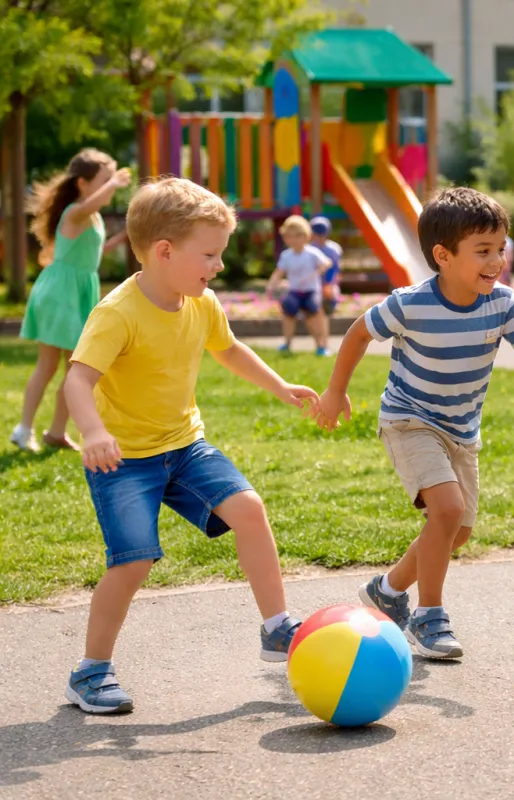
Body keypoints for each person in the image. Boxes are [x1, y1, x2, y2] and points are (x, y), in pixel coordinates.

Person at [61, 178, 319, 714]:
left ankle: (276, 628)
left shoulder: (198, 304)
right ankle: (91, 672)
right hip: (124, 459)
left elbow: (230, 349)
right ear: (164, 251)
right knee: (133, 562)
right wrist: (93, 432)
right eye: (210, 254)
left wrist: (280, 385)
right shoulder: (118, 313)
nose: (218, 266)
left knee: (248, 508)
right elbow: (77, 380)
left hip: (184, 446)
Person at [316, 187, 514, 660]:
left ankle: (388, 591)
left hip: (461, 430)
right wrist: (335, 391)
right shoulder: (410, 304)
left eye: (501, 248)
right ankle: (428, 615)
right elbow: (357, 333)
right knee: (447, 511)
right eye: (483, 251)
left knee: (457, 531)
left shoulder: (502, 303)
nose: (496, 260)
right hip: (409, 420)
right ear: (443, 255)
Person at [12, 149, 129, 453]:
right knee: (49, 364)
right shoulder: (76, 211)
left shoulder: (94, 217)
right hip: (60, 294)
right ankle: (24, 429)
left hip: (77, 292)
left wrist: (125, 236)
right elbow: (88, 206)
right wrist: (115, 183)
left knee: (75, 369)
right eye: (104, 180)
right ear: (83, 184)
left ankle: (56, 432)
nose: (110, 186)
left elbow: (92, 252)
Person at [267, 215, 332, 356]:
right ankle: (287, 343)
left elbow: (327, 262)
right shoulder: (286, 255)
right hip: (295, 291)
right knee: (288, 311)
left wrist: (322, 267)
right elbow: (279, 272)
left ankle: (320, 346)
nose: (294, 240)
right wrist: (271, 285)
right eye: (289, 236)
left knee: (313, 312)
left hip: (311, 291)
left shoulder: (312, 253)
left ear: (306, 236)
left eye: (297, 236)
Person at [309, 215, 343, 318]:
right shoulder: (310, 248)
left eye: (321, 235)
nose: (319, 238)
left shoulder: (334, 249)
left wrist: (329, 284)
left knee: (331, 292)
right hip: (313, 280)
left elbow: (336, 269)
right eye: (316, 235)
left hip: (329, 280)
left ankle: (330, 310)